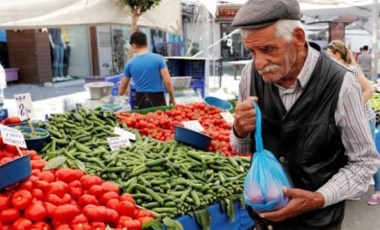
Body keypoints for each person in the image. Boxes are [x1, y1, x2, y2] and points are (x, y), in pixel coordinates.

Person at [230, 0, 380, 229]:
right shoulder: (250, 75)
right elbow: (241, 148)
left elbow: (364, 162)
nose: (259, 63)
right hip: (265, 221)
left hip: (318, 223)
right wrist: (239, 130)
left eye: (268, 49)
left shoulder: (341, 83)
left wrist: (317, 199)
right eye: (252, 51)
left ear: (298, 38)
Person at [327, 40, 379, 204]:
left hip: (365, 118)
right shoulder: (334, 71)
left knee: (368, 154)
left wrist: (354, 108)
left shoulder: (352, 70)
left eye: (329, 55)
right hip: (347, 120)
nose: (327, 59)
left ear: (337, 54)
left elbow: (369, 89)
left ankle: (378, 190)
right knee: (349, 153)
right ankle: (354, 188)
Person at [118, 31, 175, 109]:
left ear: (133, 45)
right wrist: (172, 98)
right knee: (160, 120)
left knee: (143, 121)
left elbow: (122, 86)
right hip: (158, 100)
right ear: (146, 44)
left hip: (140, 101)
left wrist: (117, 100)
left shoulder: (130, 63)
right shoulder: (159, 59)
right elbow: (168, 82)